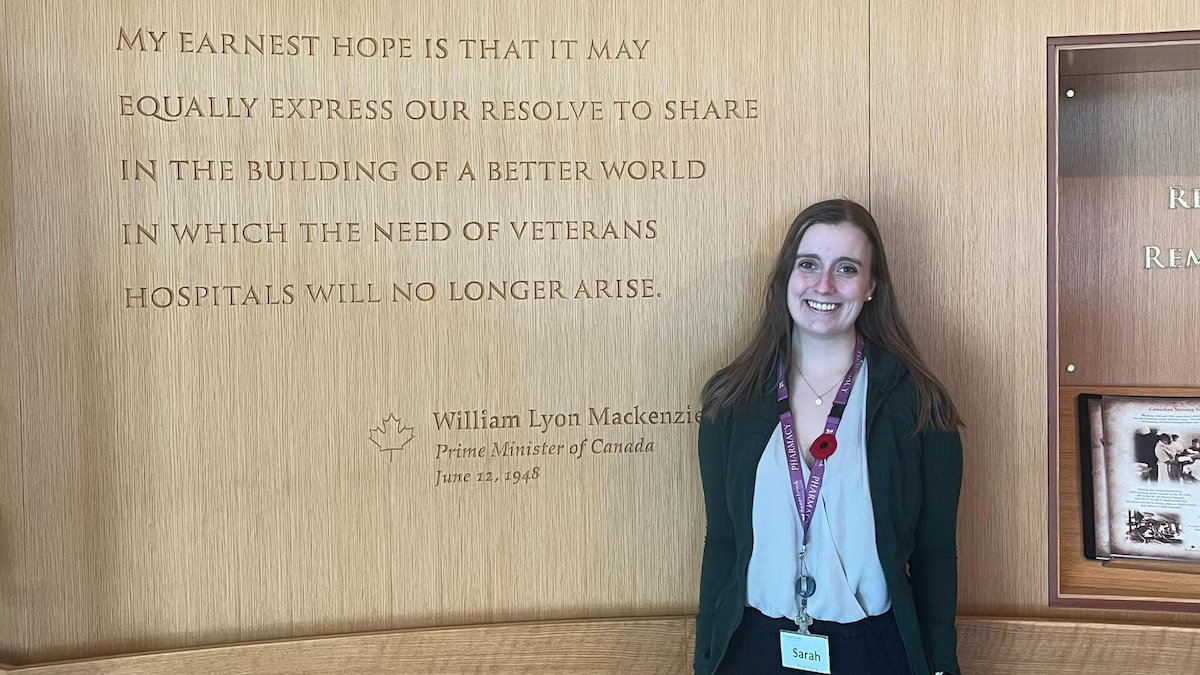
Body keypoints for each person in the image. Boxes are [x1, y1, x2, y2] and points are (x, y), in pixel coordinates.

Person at [694, 199, 963, 675]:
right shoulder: (730, 401)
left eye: (846, 268)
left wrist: (941, 665)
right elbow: (722, 543)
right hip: (755, 648)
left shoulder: (920, 406)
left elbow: (935, 553)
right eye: (808, 265)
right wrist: (706, 661)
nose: (824, 285)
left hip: (873, 651)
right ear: (786, 278)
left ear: (871, 287)